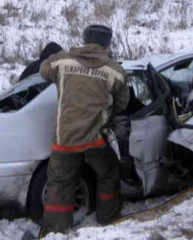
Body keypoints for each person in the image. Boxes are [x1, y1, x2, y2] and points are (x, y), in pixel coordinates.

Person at [38, 25, 129, 237]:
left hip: (65, 139)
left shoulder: (62, 61)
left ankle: (55, 231)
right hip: (96, 139)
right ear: (107, 44)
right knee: (108, 175)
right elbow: (122, 104)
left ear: (85, 39)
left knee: (59, 185)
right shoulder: (114, 70)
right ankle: (107, 221)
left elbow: (43, 70)